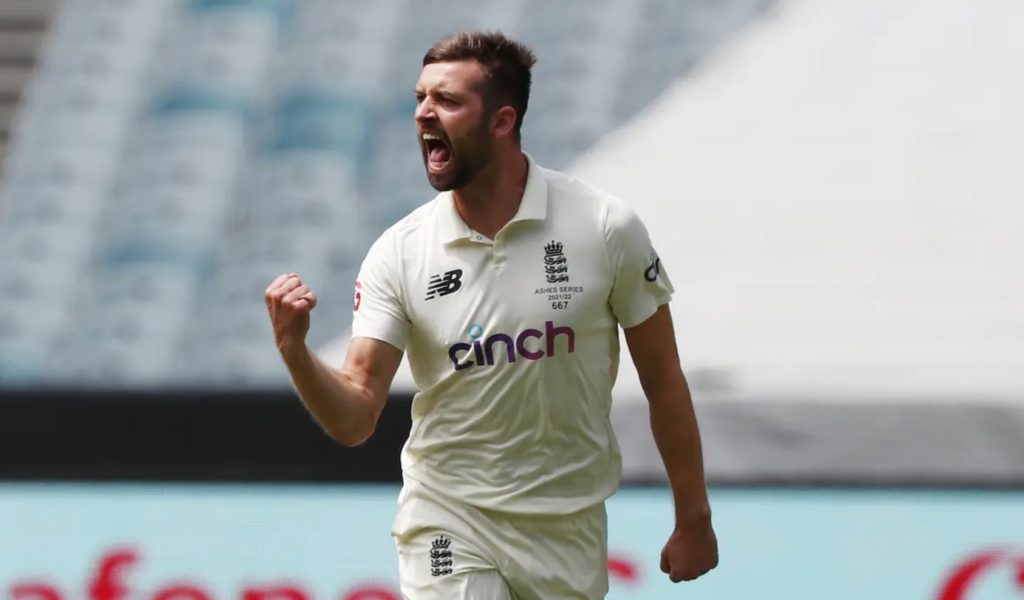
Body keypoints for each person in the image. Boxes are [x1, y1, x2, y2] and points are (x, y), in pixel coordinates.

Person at [265, 30, 718, 599]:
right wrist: (295, 351)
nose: (424, 113)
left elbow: (664, 381)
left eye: (447, 100)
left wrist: (694, 517)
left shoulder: (604, 227)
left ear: (502, 121)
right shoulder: (400, 251)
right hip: (449, 517)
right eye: (420, 98)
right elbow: (355, 418)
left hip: (566, 527)